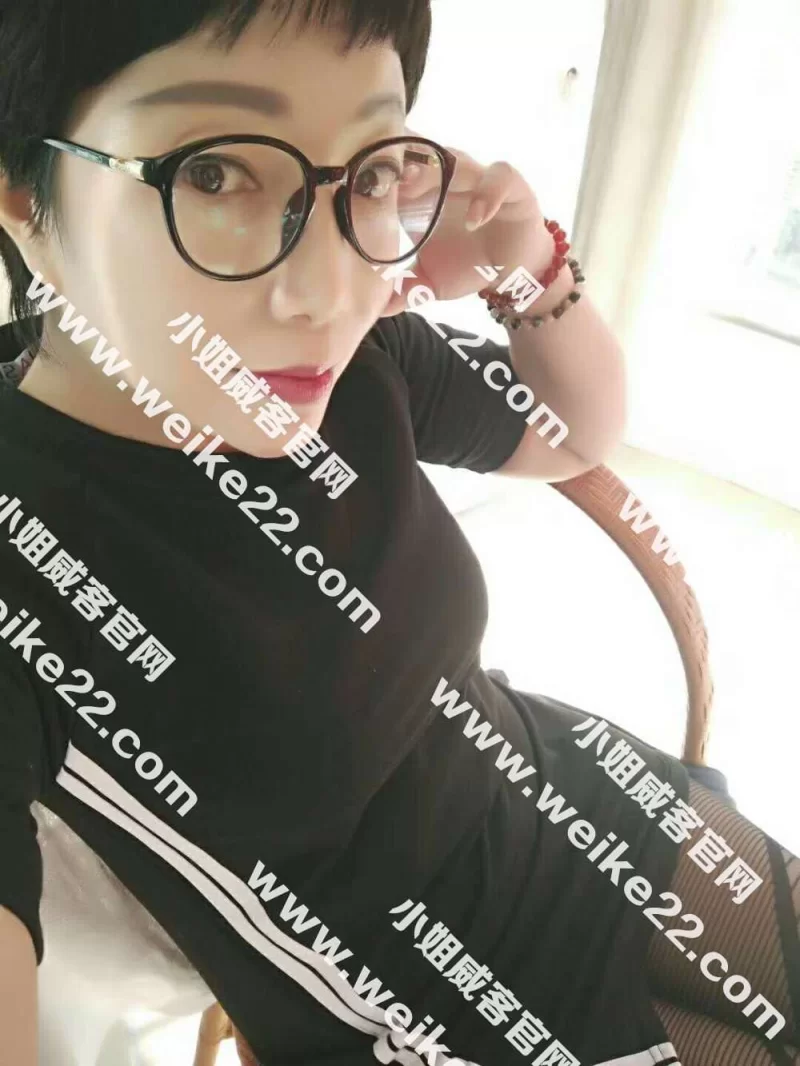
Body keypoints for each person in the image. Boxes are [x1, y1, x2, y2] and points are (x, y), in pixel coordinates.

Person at [0, 2, 797, 1065]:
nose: (332, 289)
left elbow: (572, 435)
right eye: (215, 174)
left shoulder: (355, 363)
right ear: (23, 198)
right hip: (427, 1007)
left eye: (368, 172)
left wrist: (524, 266)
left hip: (569, 793)